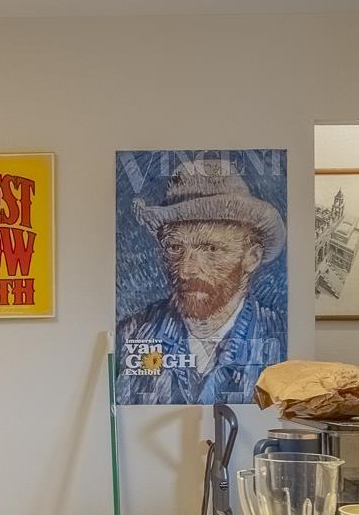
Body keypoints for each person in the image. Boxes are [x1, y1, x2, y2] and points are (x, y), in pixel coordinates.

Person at [114, 157, 289, 405]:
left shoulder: (279, 339)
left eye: (211, 249)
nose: (186, 270)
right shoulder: (131, 335)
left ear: (252, 257)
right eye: (175, 247)